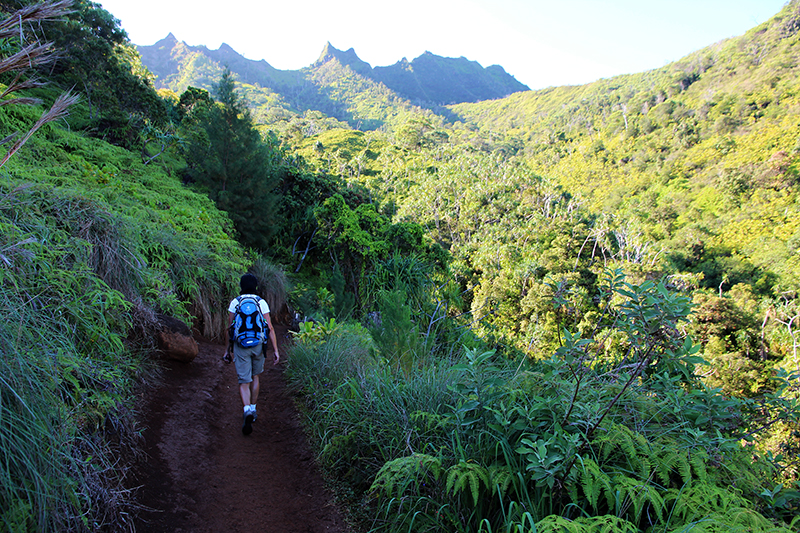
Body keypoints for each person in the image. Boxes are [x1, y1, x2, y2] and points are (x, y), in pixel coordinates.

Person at [223, 273, 280, 435]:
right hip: (258, 345)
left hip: (241, 346)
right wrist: (275, 350)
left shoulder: (236, 302)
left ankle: (246, 408)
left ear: (241, 286)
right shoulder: (261, 302)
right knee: (255, 377)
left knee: (243, 381)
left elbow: (229, 329)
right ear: (255, 286)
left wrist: (227, 350)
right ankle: (253, 410)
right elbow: (269, 328)